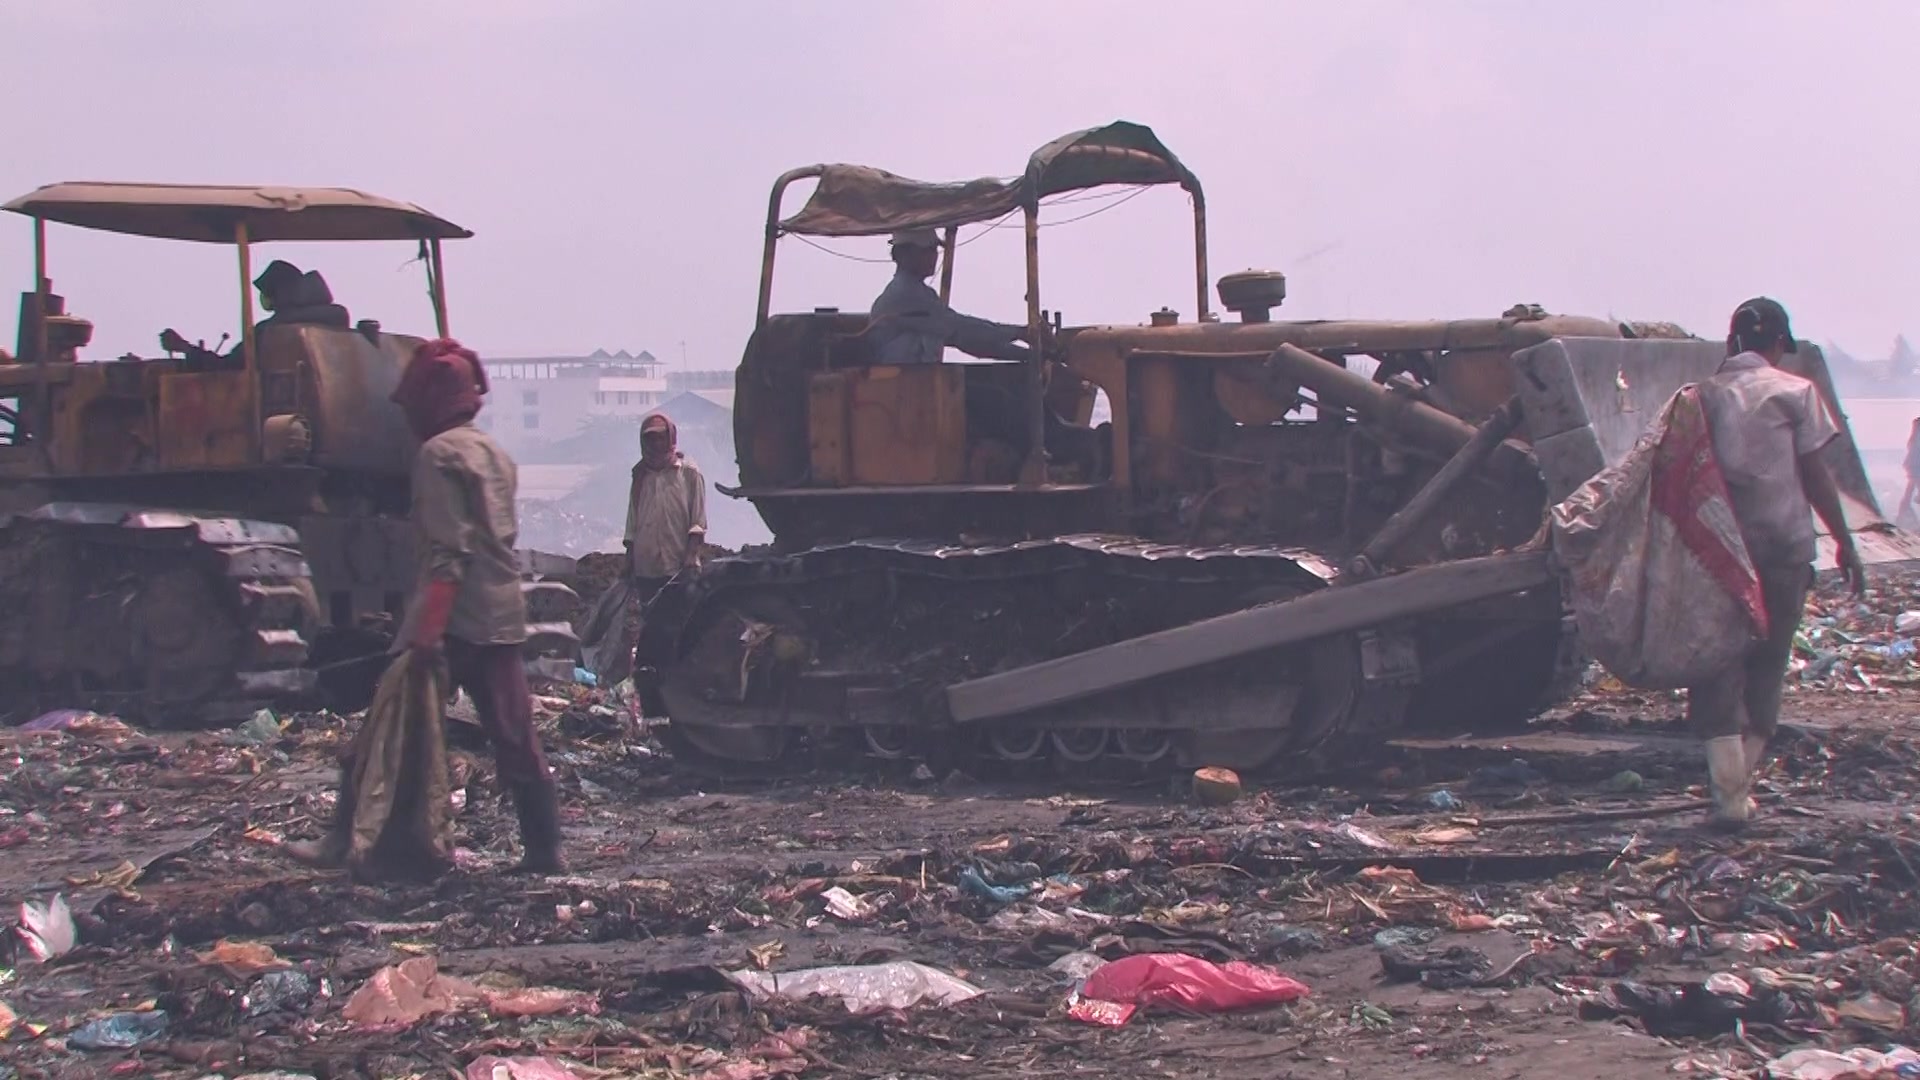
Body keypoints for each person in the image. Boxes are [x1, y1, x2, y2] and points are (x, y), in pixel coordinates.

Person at [288, 338, 563, 874]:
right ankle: (544, 850)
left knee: (385, 728)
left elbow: (448, 553)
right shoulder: (493, 453)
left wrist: (425, 634)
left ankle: (344, 840)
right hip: (501, 614)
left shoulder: (437, 456)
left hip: (453, 617)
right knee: (516, 737)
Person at [1690, 297, 1866, 830]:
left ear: (1730, 344)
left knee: (1718, 664)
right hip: (1783, 550)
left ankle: (1727, 791)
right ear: (1776, 347)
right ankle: (1736, 791)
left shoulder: (1703, 397)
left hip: (1720, 551)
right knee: (1768, 664)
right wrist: (1845, 542)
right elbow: (1816, 478)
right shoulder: (1796, 393)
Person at [867, 229, 1032, 365]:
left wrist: (1029, 354)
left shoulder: (921, 293)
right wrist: (1020, 333)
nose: (933, 256)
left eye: (934, 249)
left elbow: (967, 340)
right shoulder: (905, 294)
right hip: (901, 386)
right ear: (903, 255)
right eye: (927, 250)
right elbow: (960, 329)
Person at [160, 259, 349, 371]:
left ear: (278, 294)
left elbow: (228, 367)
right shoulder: (335, 322)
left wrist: (186, 349)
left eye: (267, 292)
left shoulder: (268, 332)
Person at [624, 412, 707, 602]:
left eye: (660, 437)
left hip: (677, 564)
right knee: (650, 620)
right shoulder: (640, 474)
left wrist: (692, 555)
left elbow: (698, 520)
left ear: (670, 437)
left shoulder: (688, 473)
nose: (655, 443)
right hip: (646, 566)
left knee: (678, 618)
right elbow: (633, 519)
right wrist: (629, 560)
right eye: (650, 439)